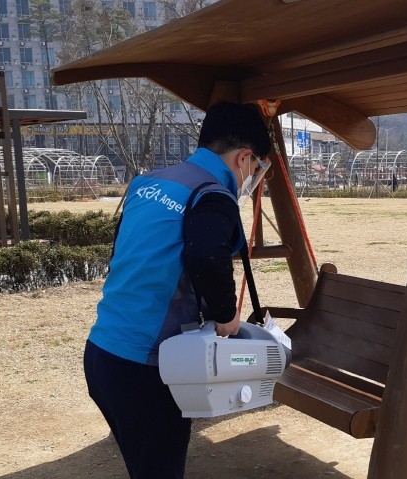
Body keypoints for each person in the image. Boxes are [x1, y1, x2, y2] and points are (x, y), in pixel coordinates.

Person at [83, 101, 271, 478]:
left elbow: (126, 248)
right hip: (147, 369)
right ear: (244, 157)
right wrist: (226, 315)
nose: (252, 177)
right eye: (256, 169)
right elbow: (206, 255)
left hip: (102, 353)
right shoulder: (213, 194)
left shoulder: (149, 182)